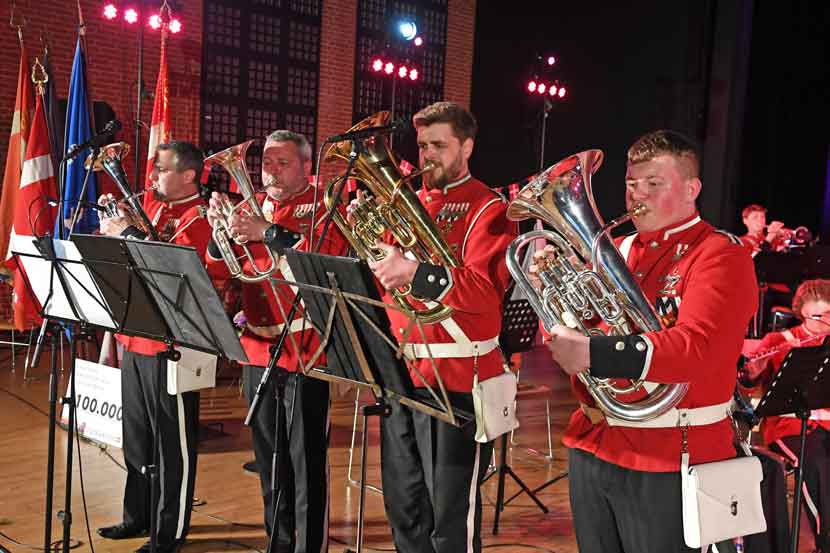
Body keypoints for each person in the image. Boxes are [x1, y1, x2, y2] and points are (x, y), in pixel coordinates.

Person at [539, 130, 759, 552]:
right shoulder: (617, 250)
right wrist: (552, 294)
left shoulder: (719, 255)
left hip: (669, 454)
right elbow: (581, 332)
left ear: (692, 189)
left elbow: (699, 348)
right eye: (631, 183)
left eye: (653, 183)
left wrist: (595, 352)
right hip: (593, 443)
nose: (636, 195)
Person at [363, 101, 517, 553]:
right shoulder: (404, 203)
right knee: (405, 510)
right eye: (423, 145)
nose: (427, 155)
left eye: (439, 145)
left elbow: (484, 293)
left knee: (449, 522)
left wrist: (413, 271)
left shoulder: (490, 208)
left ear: (466, 148)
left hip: (457, 382)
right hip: (402, 376)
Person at [204, 130, 346, 553]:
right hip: (257, 348)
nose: (271, 172)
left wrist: (268, 232)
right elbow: (220, 270)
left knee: (306, 461)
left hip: (305, 348)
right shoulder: (249, 207)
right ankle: (278, 542)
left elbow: (323, 260)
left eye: (283, 163)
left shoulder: (321, 207)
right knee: (269, 461)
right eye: (266, 162)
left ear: (306, 166)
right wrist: (218, 233)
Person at [96, 141, 212, 553]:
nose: (152, 176)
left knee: (171, 447)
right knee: (138, 439)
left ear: (188, 175)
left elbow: (173, 268)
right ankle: (138, 515)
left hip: (172, 345)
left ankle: (169, 533)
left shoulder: (199, 217)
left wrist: (128, 232)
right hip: (136, 337)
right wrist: (114, 223)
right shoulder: (157, 208)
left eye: (160, 169)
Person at [743, 278, 830, 553]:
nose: (827, 321)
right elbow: (748, 386)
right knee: (816, 462)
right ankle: (824, 540)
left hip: (826, 423)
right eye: (820, 316)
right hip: (789, 425)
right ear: (803, 313)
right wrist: (752, 373)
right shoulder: (779, 341)